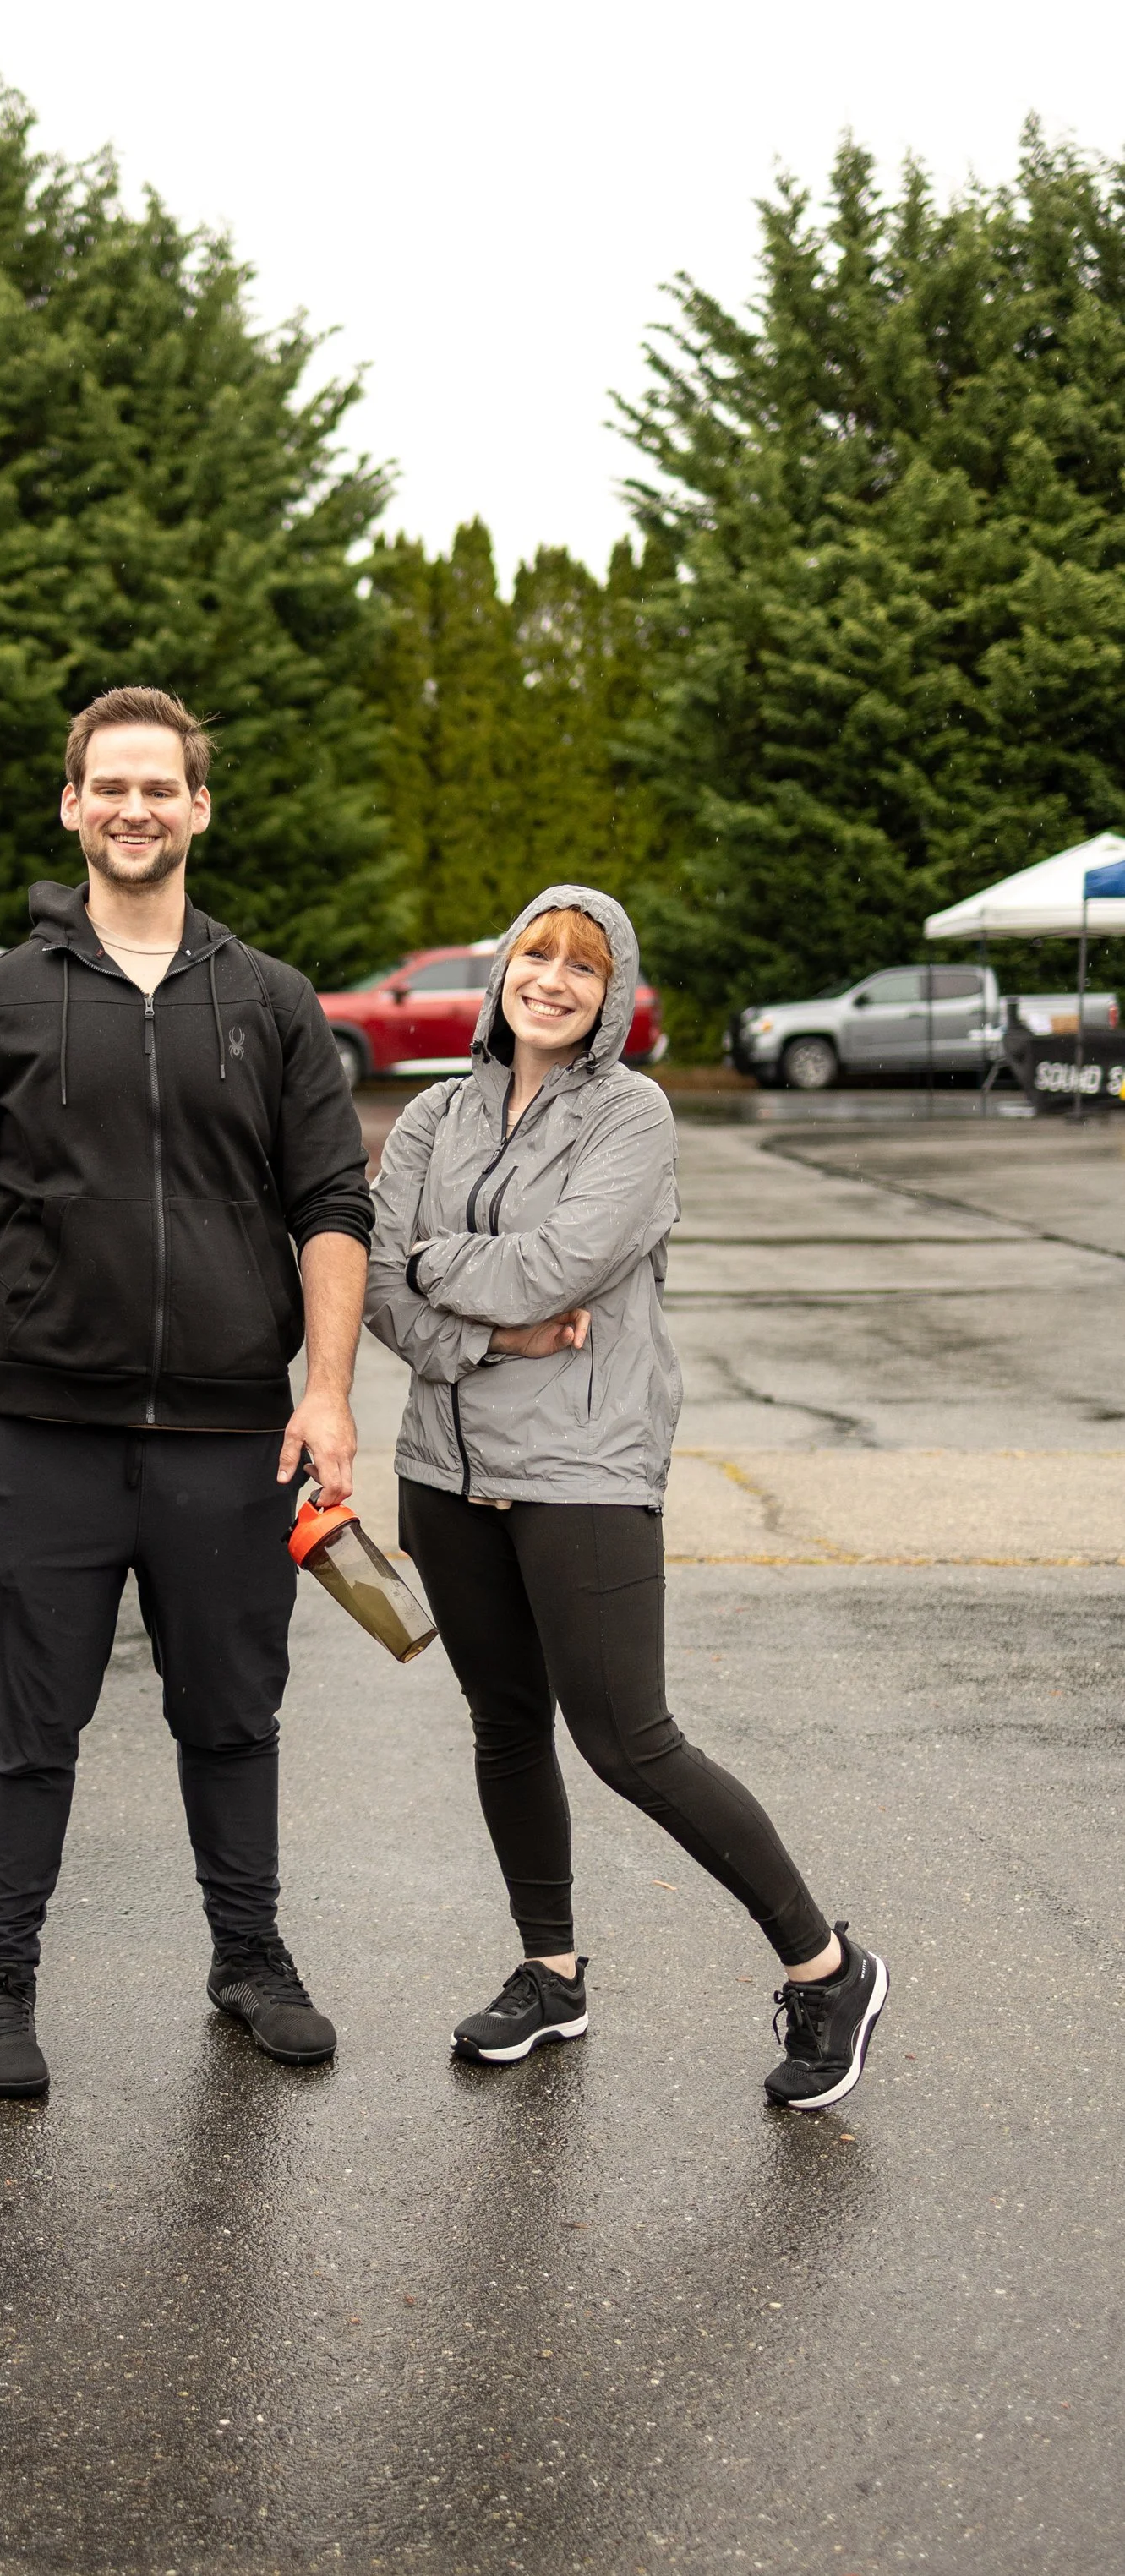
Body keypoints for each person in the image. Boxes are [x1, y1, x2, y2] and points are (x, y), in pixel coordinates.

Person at [0, 685, 374, 2098]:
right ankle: (0, 1985)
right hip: (38, 1432)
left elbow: (331, 1203)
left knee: (233, 1715)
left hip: (231, 1435)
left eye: (158, 787)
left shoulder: (273, 1002)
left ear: (198, 808)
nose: (133, 807)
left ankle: (249, 1957)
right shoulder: (2, 997)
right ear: (72, 805)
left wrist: (330, 1393)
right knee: (28, 1723)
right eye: (109, 786)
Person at [364, 885, 888, 2112]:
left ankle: (829, 1966)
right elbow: (380, 1286)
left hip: (582, 1469)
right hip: (442, 1468)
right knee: (505, 1726)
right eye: (533, 955)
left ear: (610, 997)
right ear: (500, 972)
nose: (550, 978)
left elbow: (556, 1264)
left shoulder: (634, 1114)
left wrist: (442, 1270)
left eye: (581, 968)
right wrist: (494, 1340)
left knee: (630, 1740)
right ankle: (551, 1974)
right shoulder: (439, 1111)